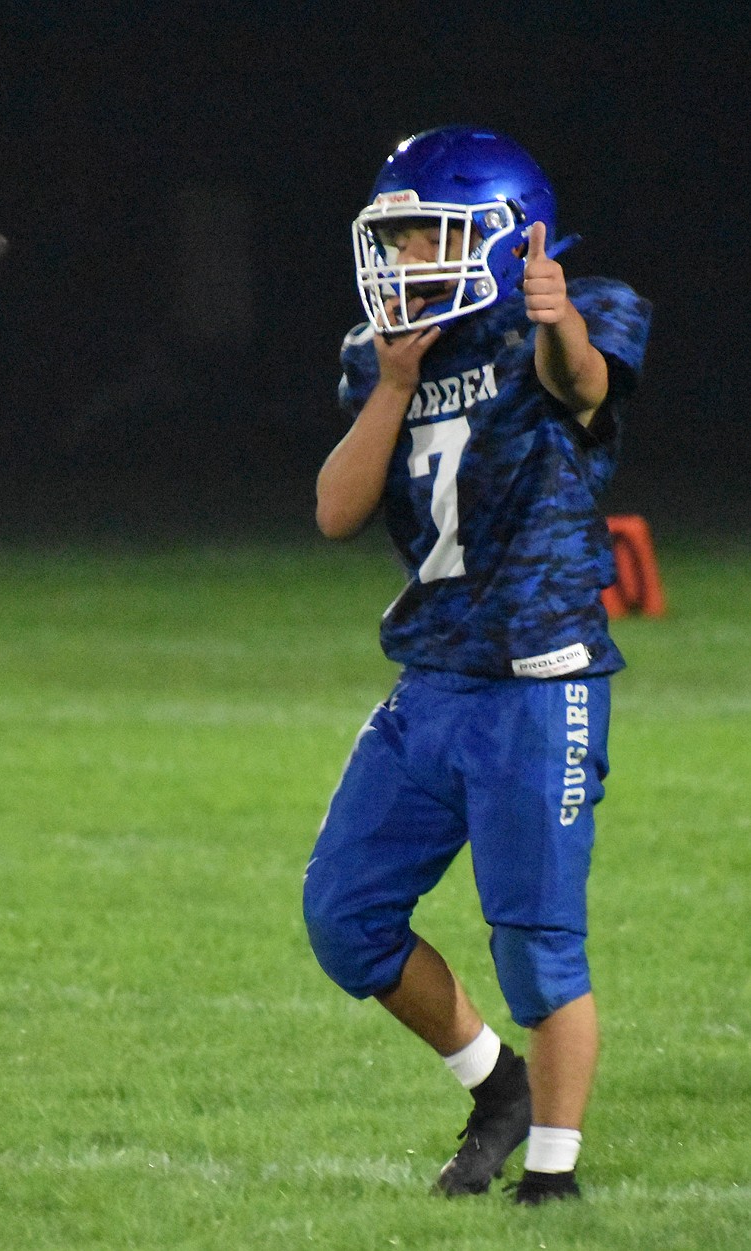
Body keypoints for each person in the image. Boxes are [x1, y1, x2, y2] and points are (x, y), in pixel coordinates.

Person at [302, 125, 652, 1205]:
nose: (404, 261)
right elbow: (335, 512)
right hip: (433, 679)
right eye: (396, 239)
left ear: (504, 239)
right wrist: (396, 385)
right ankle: (493, 1084)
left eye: (426, 237)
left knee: (540, 948)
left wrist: (554, 320)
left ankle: (552, 1175)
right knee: (345, 916)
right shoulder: (380, 356)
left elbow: (581, 385)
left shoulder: (578, 310)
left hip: (539, 681)